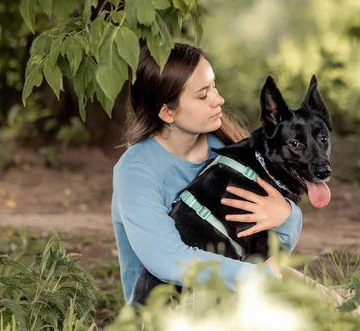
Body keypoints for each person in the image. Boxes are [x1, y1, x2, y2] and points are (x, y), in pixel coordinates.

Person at [111, 43, 303, 304]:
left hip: (233, 291)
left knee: (328, 300)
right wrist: (255, 276)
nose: (219, 100)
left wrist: (288, 216)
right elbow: (168, 260)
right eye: (203, 95)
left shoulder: (228, 151)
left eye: (214, 87)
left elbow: (264, 248)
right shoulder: (136, 172)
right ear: (167, 111)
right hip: (168, 309)